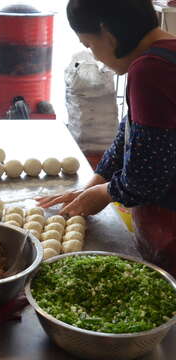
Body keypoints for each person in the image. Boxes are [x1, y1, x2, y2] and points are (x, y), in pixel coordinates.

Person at [37, 0, 176, 276]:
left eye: (89, 44)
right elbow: (132, 129)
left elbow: (147, 179)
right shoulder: (165, 52)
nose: (96, 57)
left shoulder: (150, 69)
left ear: (108, 32)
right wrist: (95, 181)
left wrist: (106, 193)